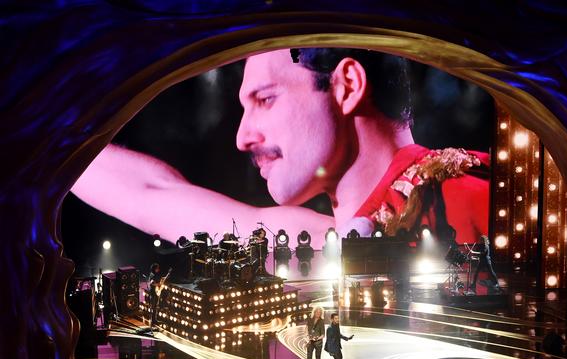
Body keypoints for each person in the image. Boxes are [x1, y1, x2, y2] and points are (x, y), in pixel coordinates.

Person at [71, 48, 488, 248]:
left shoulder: (473, 200)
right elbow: (151, 195)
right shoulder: (331, 239)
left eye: (265, 99)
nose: (242, 137)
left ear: (347, 86)